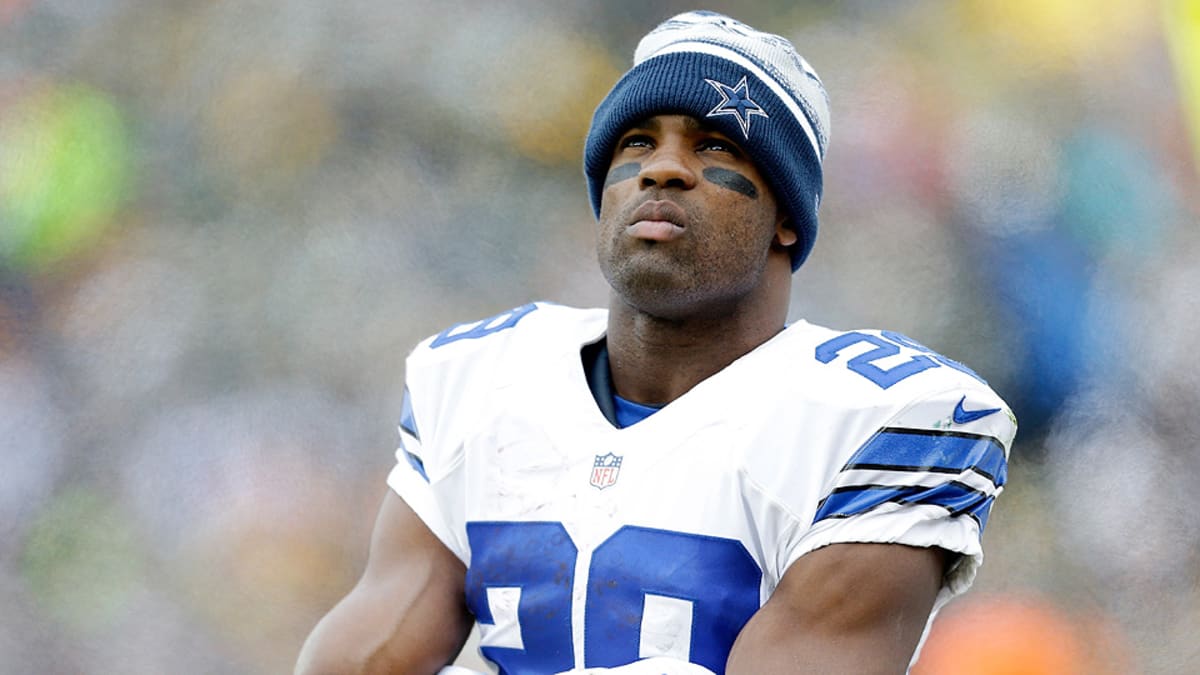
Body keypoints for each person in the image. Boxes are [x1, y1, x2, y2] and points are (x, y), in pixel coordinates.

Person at [295, 10, 1016, 675]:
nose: (662, 167)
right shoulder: (476, 379)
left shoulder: (884, 420)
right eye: (637, 141)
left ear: (787, 216)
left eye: (715, 144)